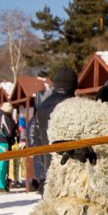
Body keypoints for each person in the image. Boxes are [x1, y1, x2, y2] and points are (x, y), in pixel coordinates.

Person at [29, 68, 76, 196]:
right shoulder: (76, 106)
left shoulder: (42, 107)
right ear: (73, 86)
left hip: (49, 171)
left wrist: (41, 177)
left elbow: (36, 143)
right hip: (73, 173)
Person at [0, 102, 17, 192]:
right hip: (1, 142)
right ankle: (0, 185)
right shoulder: (4, 116)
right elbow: (8, 131)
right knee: (2, 164)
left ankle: (0, 183)